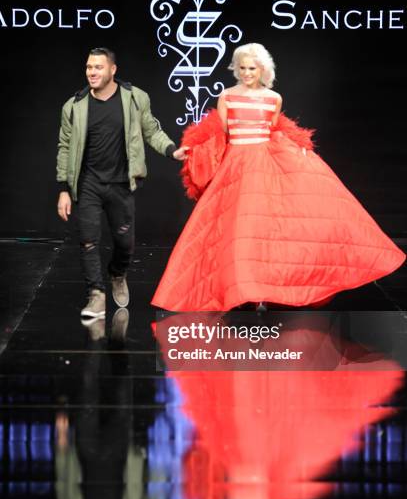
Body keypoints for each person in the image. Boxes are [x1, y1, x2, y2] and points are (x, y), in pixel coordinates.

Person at [152, 43, 405, 312]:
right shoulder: (227, 96)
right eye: (242, 68)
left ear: (262, 69)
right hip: (235, 166)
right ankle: (241, 288)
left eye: (252, 68)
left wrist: (299, 151)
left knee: (261, 230)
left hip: (264, 166)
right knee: (234, 231)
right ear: (235, 69)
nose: (247, 73)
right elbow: (218, 133)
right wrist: (193, 147)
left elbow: (275, 132)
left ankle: (260, 290)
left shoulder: (273, 98)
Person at [56, 47, 188, 318]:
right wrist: (63, 189)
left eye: (98, 67)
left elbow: (152, 130)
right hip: (88, 183)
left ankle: (117, 273)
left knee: (124, 243)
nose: (92, 72)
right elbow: (65, 146)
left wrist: (171, 150)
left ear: (112, 70)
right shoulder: (74, 106)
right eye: (89, 67)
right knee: (88, 241)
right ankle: (96, 295)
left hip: (121, 184)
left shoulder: (135, 98)